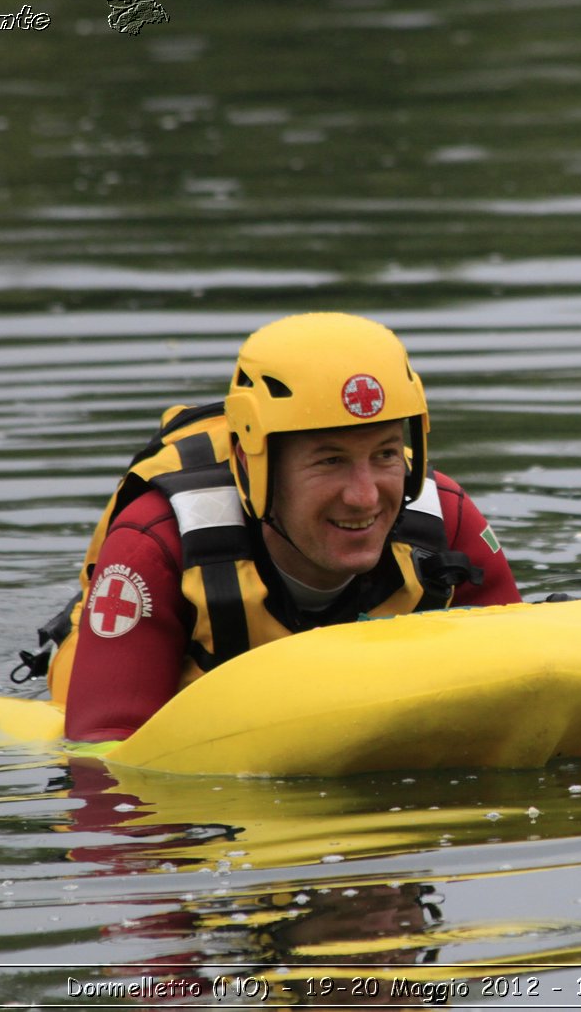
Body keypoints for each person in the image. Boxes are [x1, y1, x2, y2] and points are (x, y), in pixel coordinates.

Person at [41, 312, 521, 741]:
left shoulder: (446, 520)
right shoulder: (157, 543)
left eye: (386, 455)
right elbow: (102, 765)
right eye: (330, 461)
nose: (365, 496)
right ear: (254, 465)